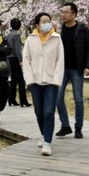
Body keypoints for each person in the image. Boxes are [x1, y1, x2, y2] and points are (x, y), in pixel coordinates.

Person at [23, 12, 64, 156]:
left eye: (49, 20)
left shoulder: (57, 39)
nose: (47, 23)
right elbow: (26, 60)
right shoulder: (31, 39)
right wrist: (29, 80)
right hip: (35, 81)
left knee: (48, 112)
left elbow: (60, 61)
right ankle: (44, 134)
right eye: (44, 21)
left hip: (51, 82)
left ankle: (47, 142)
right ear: (37, 25)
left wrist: (56, 81)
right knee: (39, 111)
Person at [56, 2, 89, 139]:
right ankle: (65, 125)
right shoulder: (60, 29)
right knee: (57, 97)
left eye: (66, 12)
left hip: (76, 69)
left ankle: (78, 127)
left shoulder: (82, 29)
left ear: (74, 14)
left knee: (78, 99)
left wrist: (88, 66)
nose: (63, 15)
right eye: (62, 12)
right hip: (62, 69)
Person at [6, 18, 30, 107]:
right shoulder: (16, 35)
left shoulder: (9, 34)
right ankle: (23, 101)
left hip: (9, 58)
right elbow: (17, 49)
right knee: (21, 81)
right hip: (15, 58)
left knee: (13, 80)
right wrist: (21, 59)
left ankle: (11, 99)